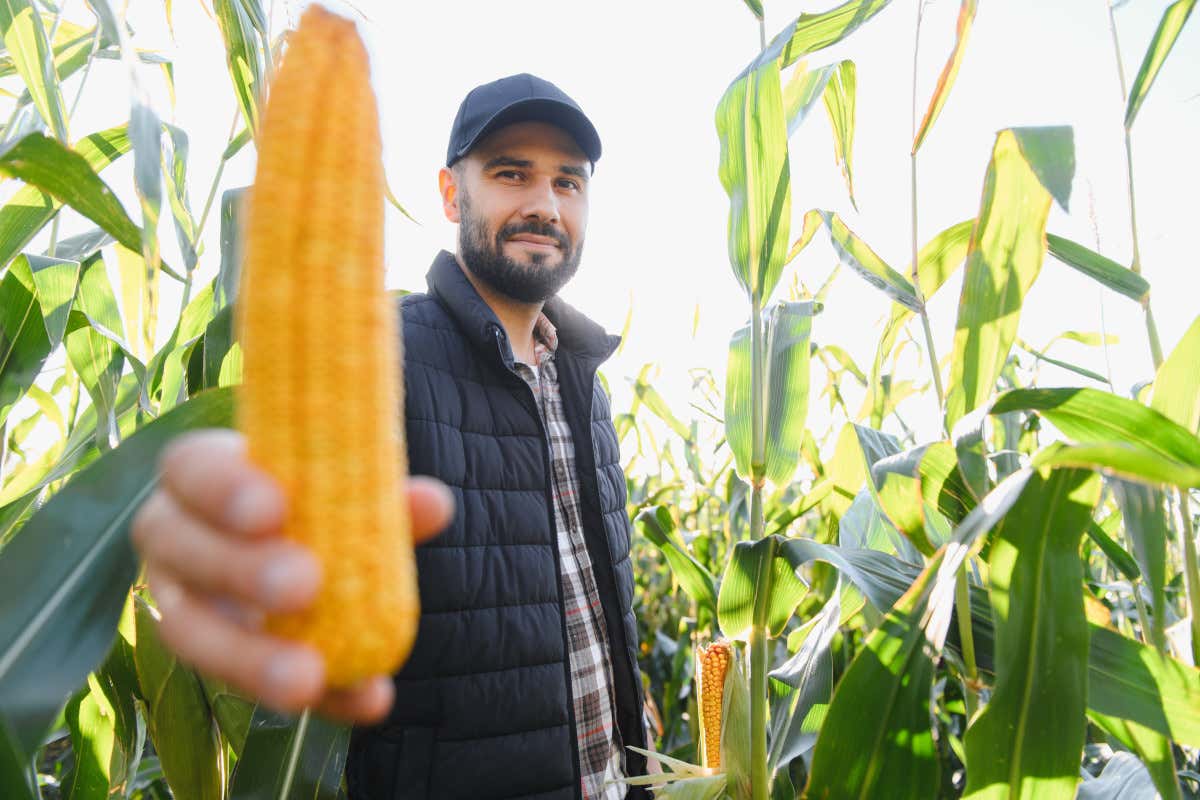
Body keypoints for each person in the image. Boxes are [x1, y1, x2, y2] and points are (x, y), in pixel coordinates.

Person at [131, 73, 653, 800]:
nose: (544, 204)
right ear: (451, 195)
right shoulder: (378, 362)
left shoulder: (587, 386)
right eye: (511, 174)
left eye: (568, 182)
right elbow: (289, 544)